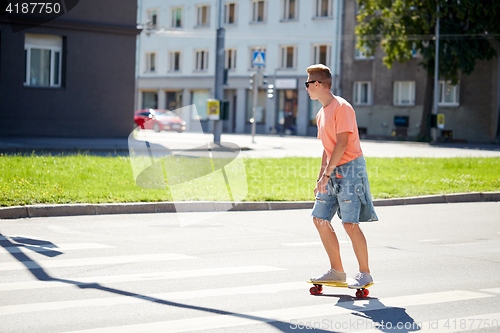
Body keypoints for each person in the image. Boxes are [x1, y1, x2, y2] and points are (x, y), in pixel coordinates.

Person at [306, 64, 378, 289]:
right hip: (332, 169)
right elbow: (327, 148)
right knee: (319, 218)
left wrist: (327, 174)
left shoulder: (342, 107)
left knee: (349, 223)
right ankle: (336, 271)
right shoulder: (321, 113)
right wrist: (321, 177)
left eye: (308, 84)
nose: (306, 88)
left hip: (350, 170)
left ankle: (365, 273)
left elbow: (342, 144)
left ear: (318, 84)